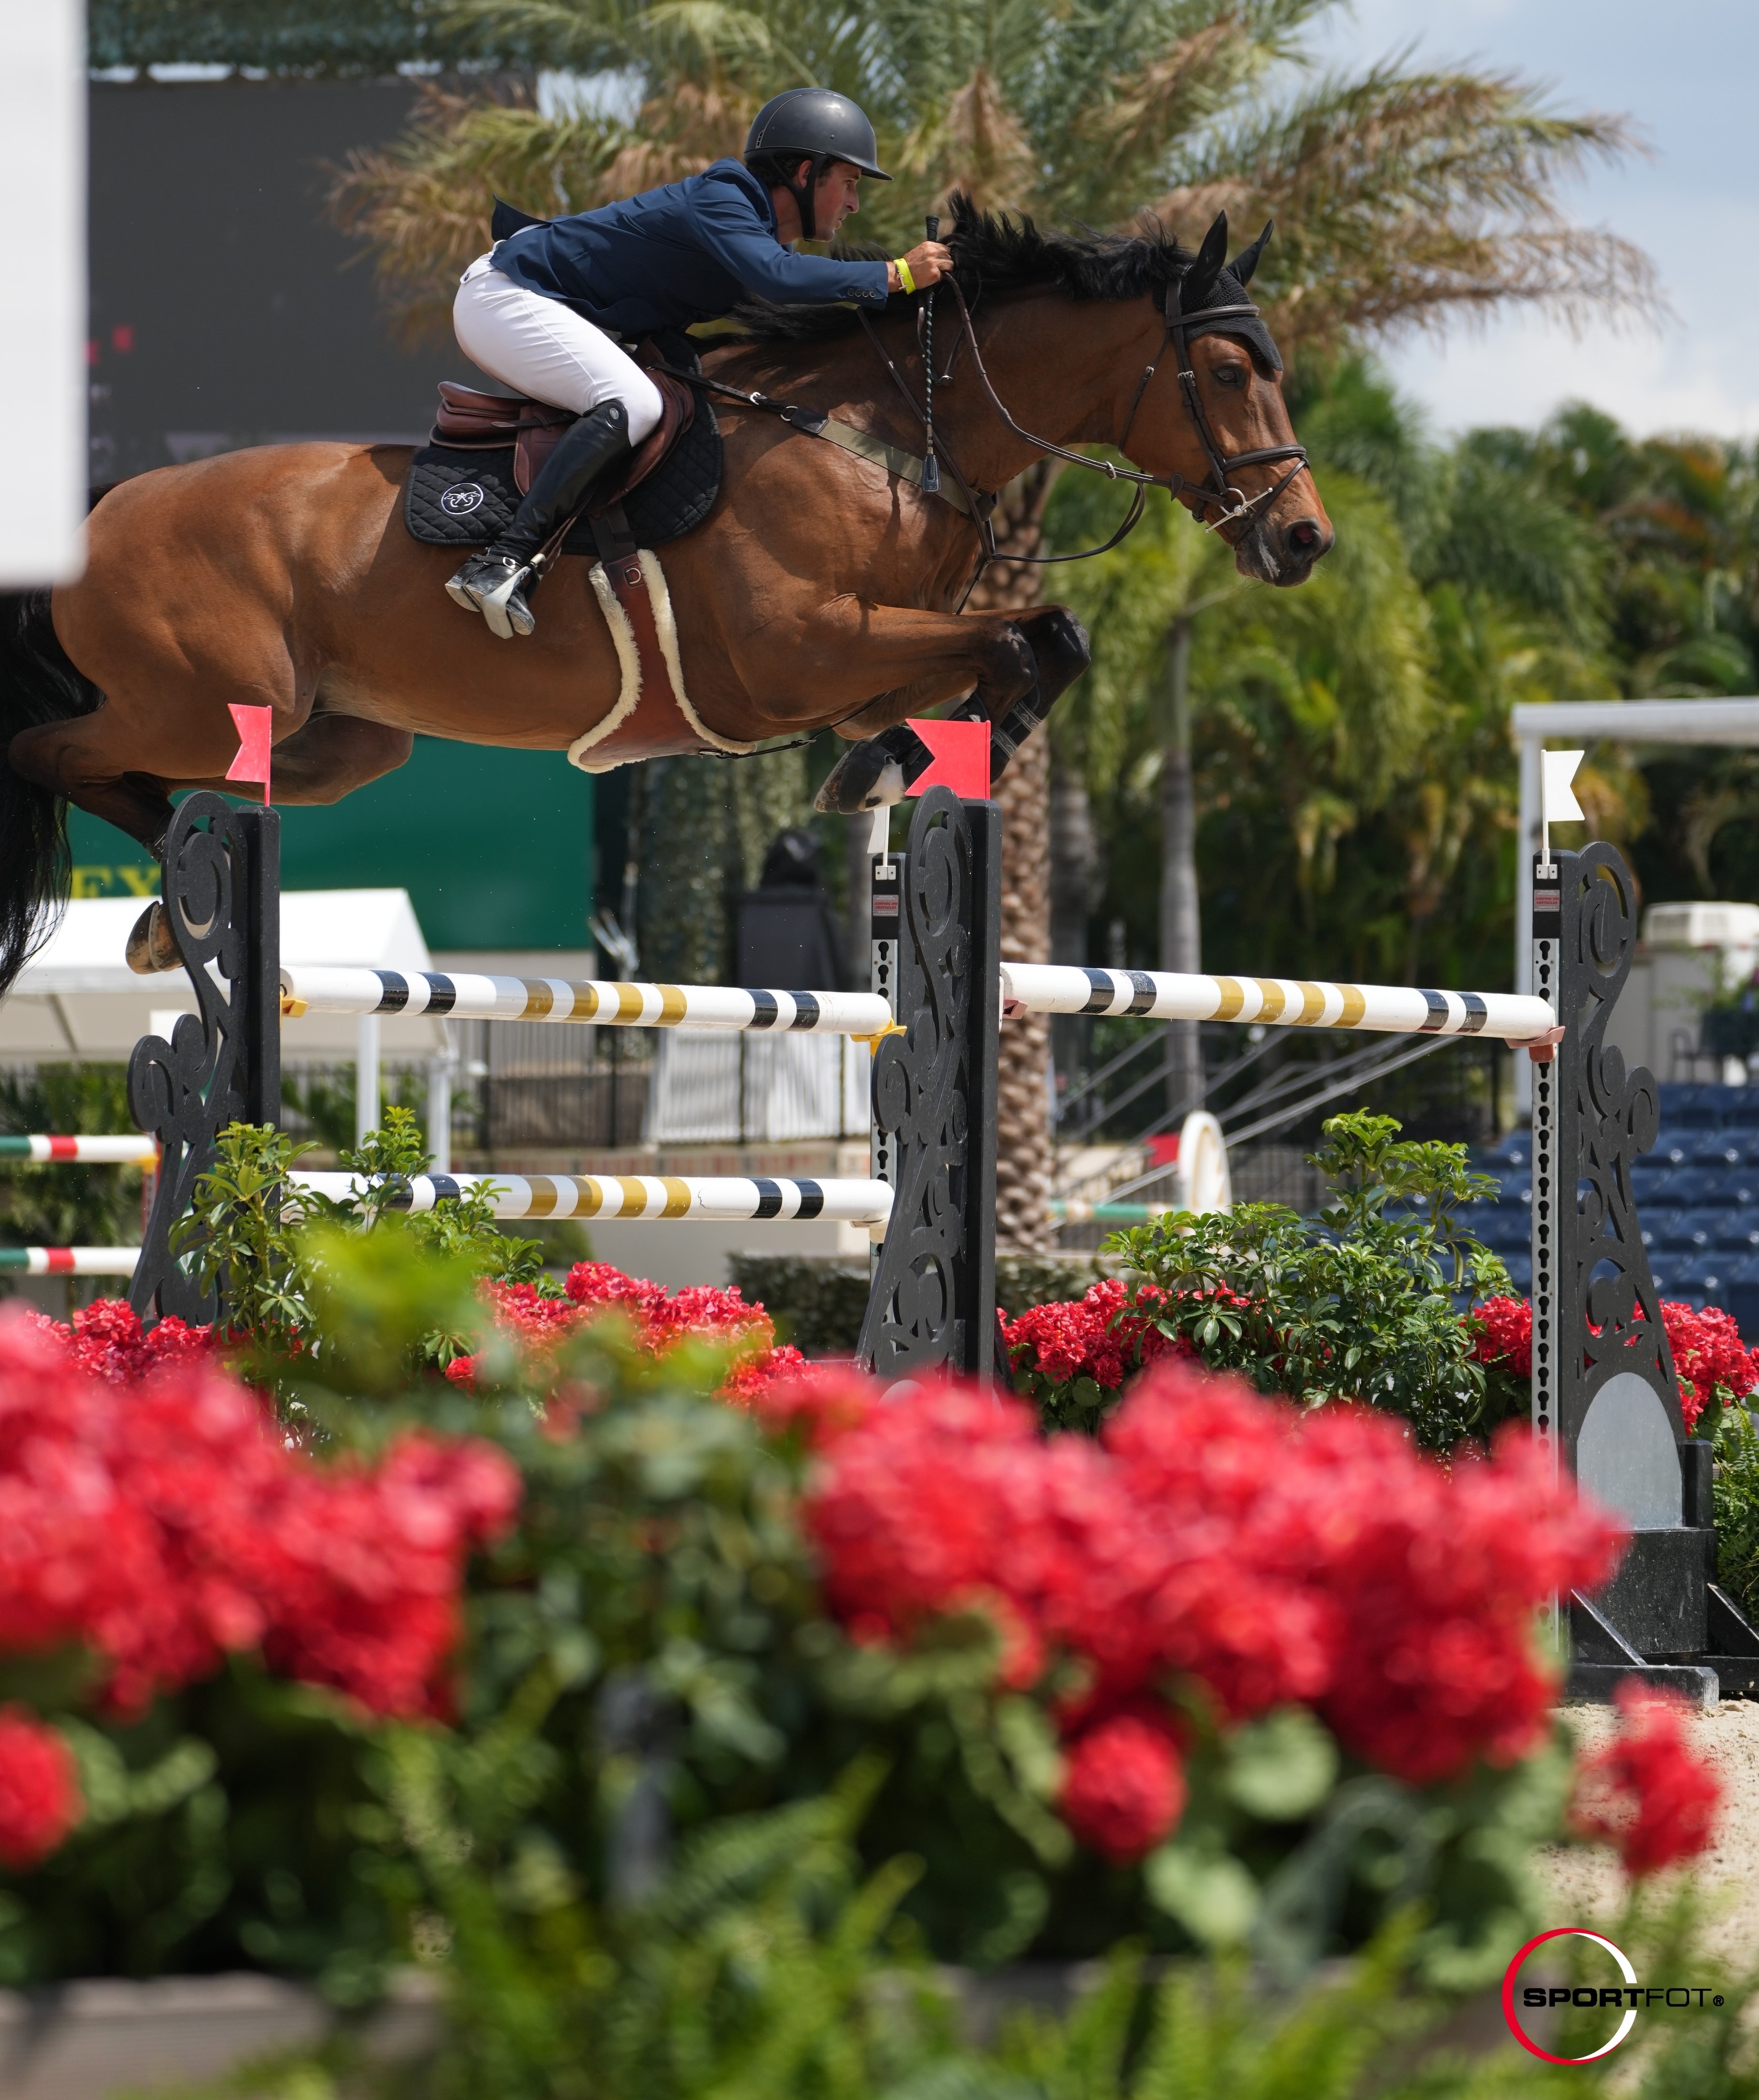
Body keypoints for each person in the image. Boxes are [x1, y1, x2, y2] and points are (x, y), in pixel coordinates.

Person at [445, 87, 954, 639]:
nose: (854, 203)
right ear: (807, 173)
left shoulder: (747, 229)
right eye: (850, 183)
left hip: (540, 302)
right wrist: (895, 275)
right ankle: (500, 560)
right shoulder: (725, 198)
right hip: (505, 297)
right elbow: (781, 279)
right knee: (631, 402)